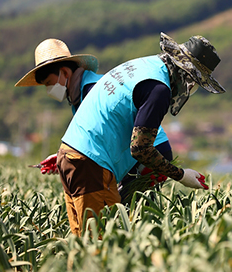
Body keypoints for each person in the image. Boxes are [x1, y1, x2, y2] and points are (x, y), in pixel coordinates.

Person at [54, 33, 225, 236]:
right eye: (193, 83)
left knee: (81, 240)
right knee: (101, 243)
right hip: (91, 165)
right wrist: (181, 175)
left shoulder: (145, 65)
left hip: (69, 155)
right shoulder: (159, 89)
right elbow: (140, 149)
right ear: (185, 74)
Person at [15, 39, 171, 199]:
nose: (49, 90)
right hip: (136, 152)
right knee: (127, 212)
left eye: (49, 83)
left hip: (148, 152)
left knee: (123, 212)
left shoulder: (93, 90)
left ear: (65, 73)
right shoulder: (80, 93)